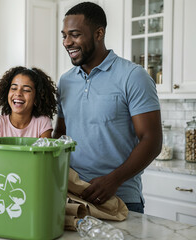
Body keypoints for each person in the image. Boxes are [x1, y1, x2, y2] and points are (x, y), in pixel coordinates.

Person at [53, 2, 162, 213]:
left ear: (99, 33)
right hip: (72, 197)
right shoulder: (65, 81)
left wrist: (113, 180)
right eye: (64, 35)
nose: (67, 42)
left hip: (120, 199)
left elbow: (152, 140)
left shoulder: (133, 76)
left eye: (74, 35)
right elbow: (61, 134)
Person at [0, 66, 57, 138]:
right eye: (14, 88)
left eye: (26, 90)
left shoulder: (43, 123)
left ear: (37, 97)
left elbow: (44, 149)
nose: (18, 93)